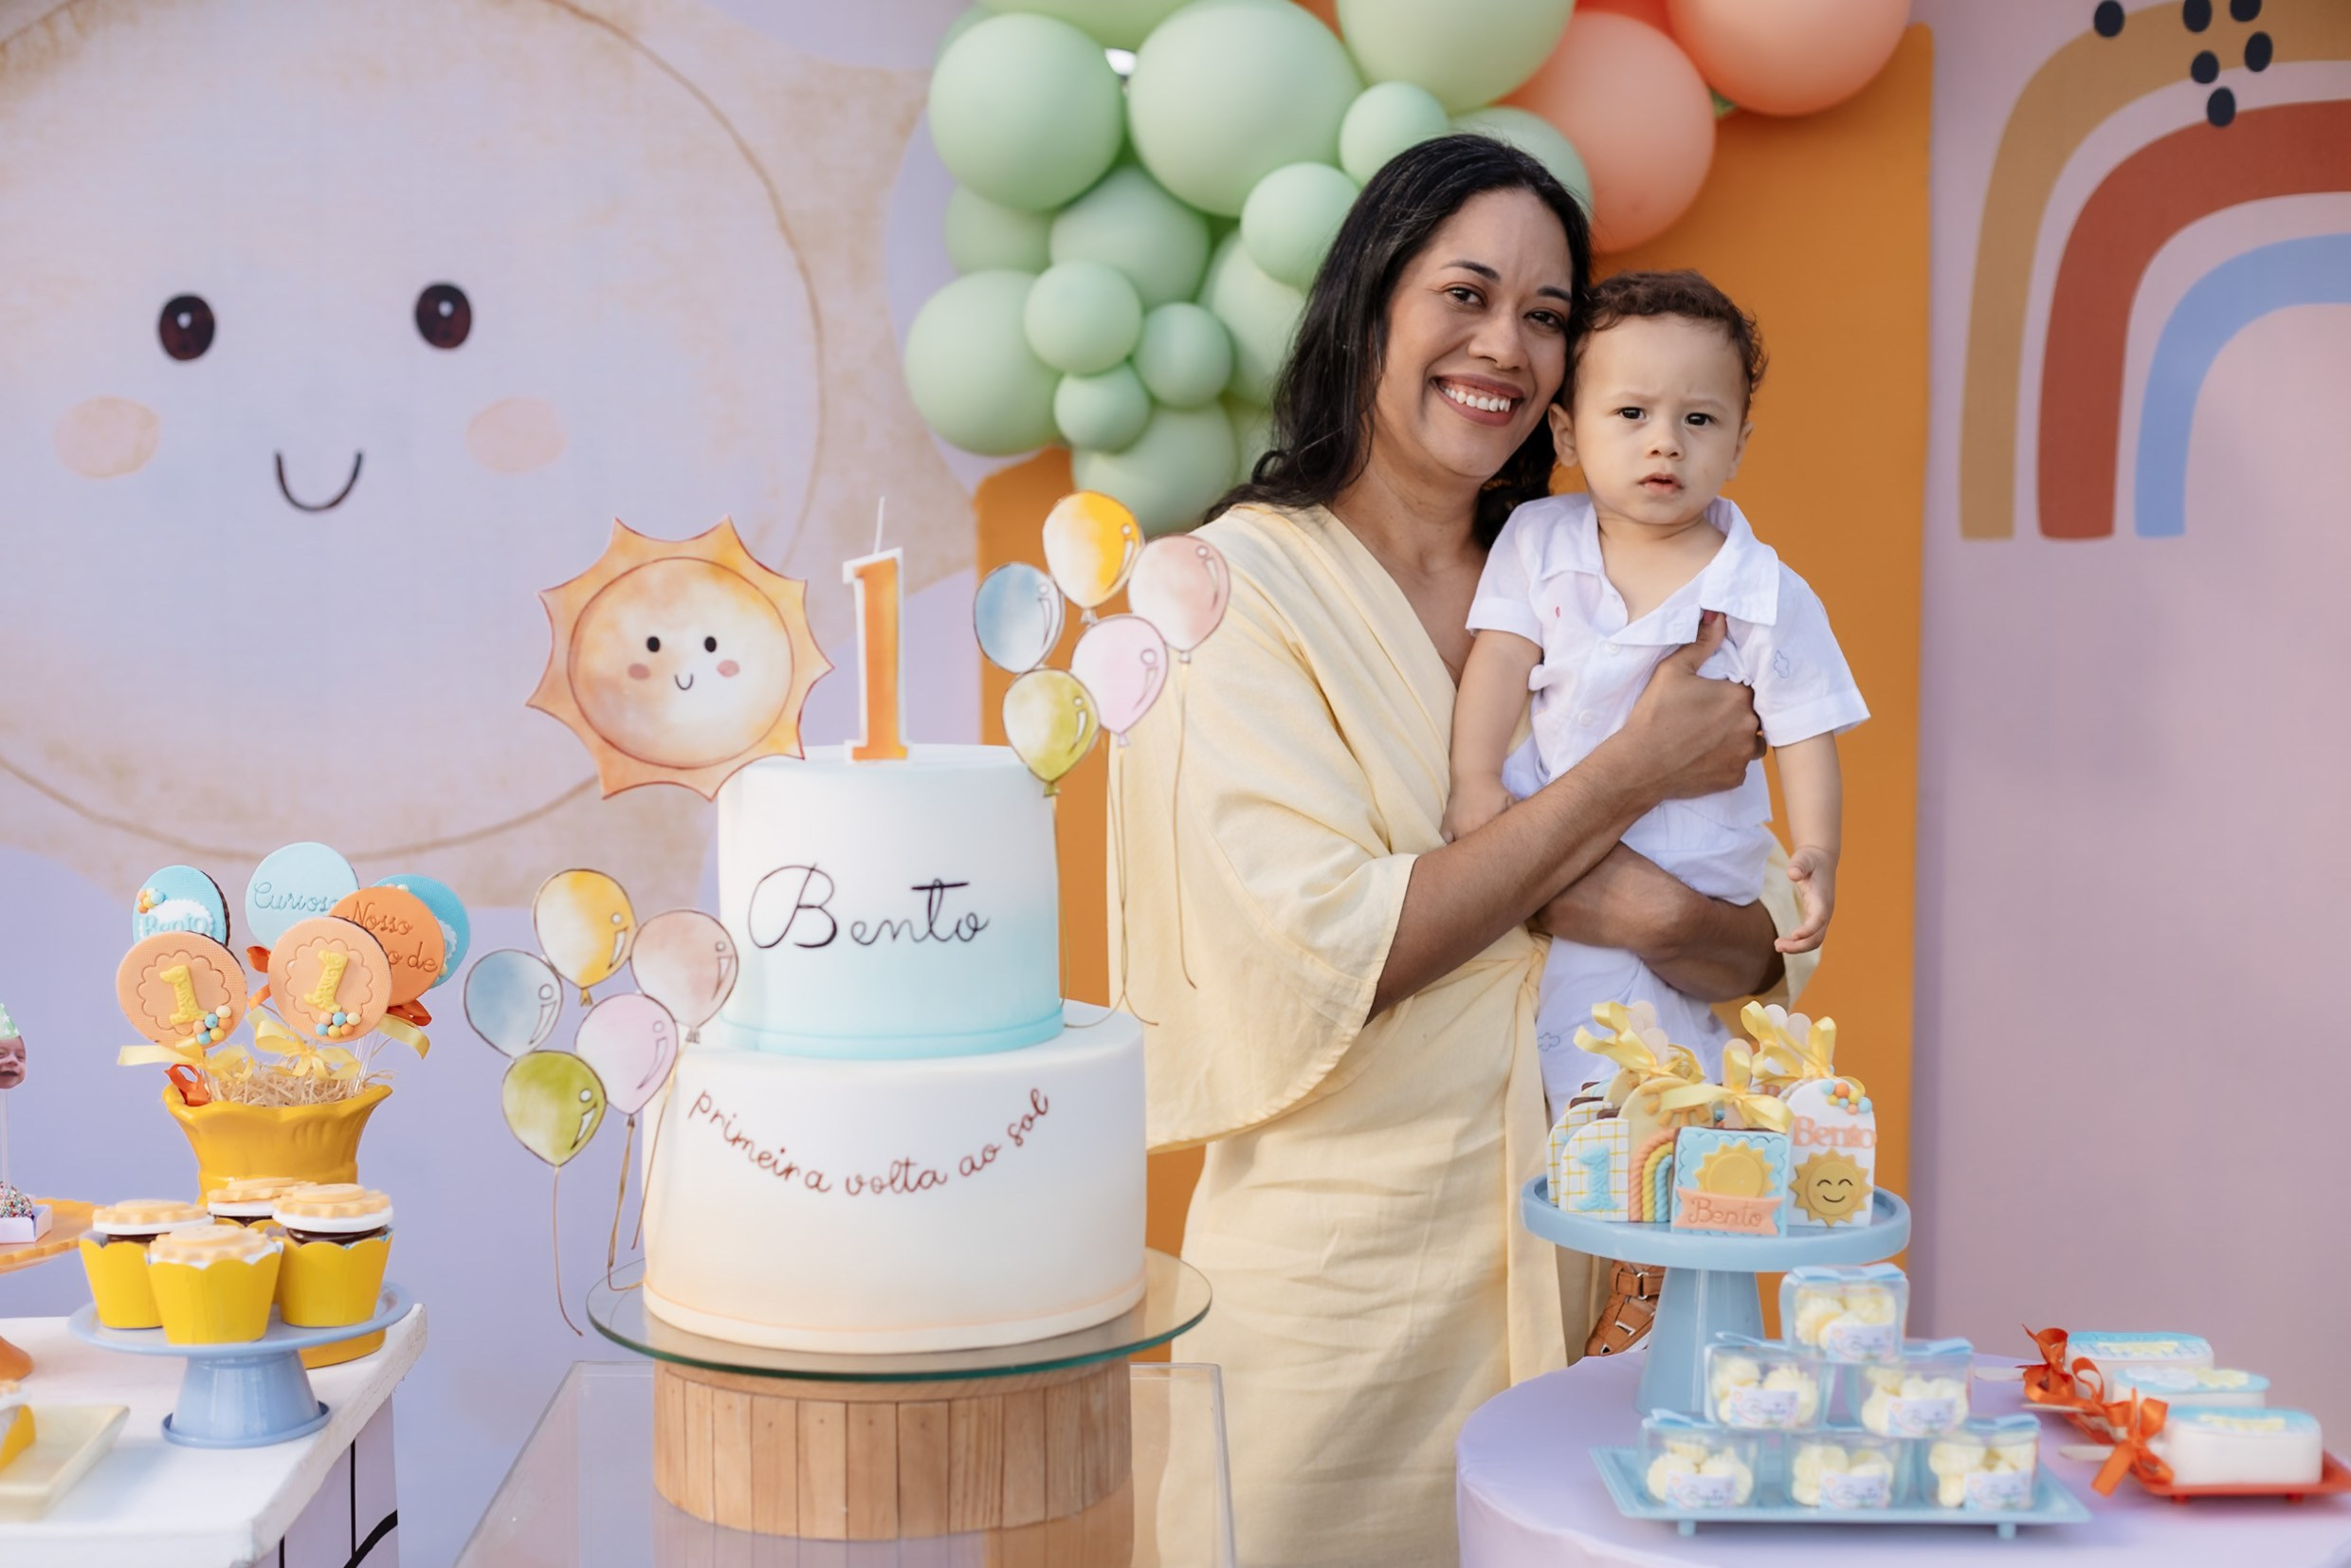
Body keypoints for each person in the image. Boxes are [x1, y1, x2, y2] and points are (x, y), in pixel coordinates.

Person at [1110, 138, 1819, 1567]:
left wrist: (1628, 896)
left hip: (1602, 1269)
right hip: (1343, 1295)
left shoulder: (1597, 571)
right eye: (1469, 293)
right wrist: (1629, 775)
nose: (1508, 346)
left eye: (1550, 316)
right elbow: (1338, 946)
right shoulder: (1226, 595)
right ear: (1370, 299)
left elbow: (1759, 952)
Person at [1444, 270, 1866, 1111]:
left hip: (1691, 865)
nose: (1665, 442)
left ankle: (1648, 1170)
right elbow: (1497, 662)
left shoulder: (1764, 591)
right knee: (1562, 1047)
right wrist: (1474, 778)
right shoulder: (1538, 539)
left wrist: (1817, 851)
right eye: (1632, 415)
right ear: (1566, 432)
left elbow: (1806, 732)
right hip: (1550, 824)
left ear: (1740, 444)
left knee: (1649, 1057)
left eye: (1698, 420)